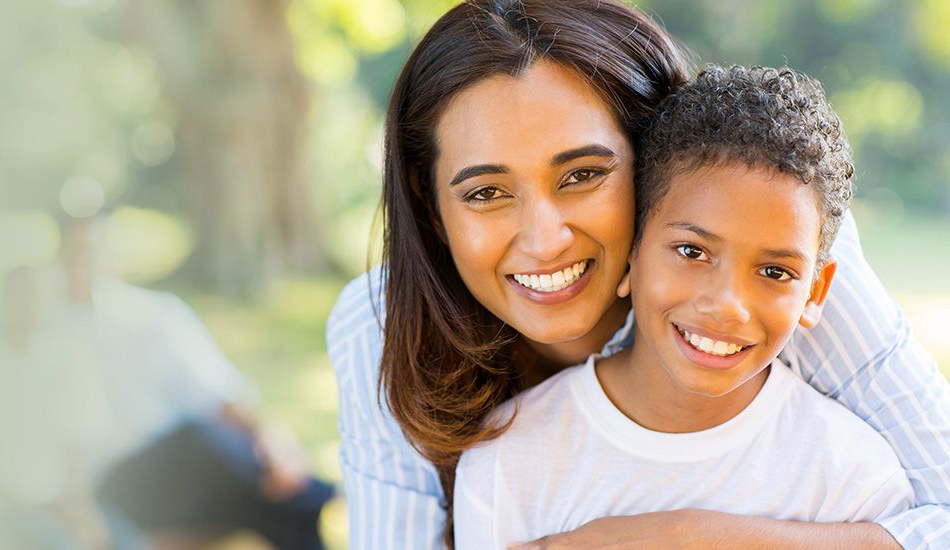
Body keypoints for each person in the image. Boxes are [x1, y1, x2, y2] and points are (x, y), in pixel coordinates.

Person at [325, 1, 950, 548]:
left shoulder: (777, 256)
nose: (545, 241)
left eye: (582, 175)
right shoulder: (380, 330)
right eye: (486, 193)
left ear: (652, 159)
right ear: (430, 203)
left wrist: (701, 539)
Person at [453, 65, 914, 548]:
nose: (727, 306)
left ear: (815, 292)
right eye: (692, 251)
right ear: (632, 249)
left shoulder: (854, 481)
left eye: (775, 272)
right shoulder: (506, 459)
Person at [0, 212, 334, 550]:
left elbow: (221, 393)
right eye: (73, 254)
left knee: (269, 507)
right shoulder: (47, 331)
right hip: (112, 482)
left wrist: (271, 442)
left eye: (93, 252)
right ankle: (321, 495)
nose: (83, 266)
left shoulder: (155, 315)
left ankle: (308, 499)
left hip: (180, 473)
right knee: (201, 442)